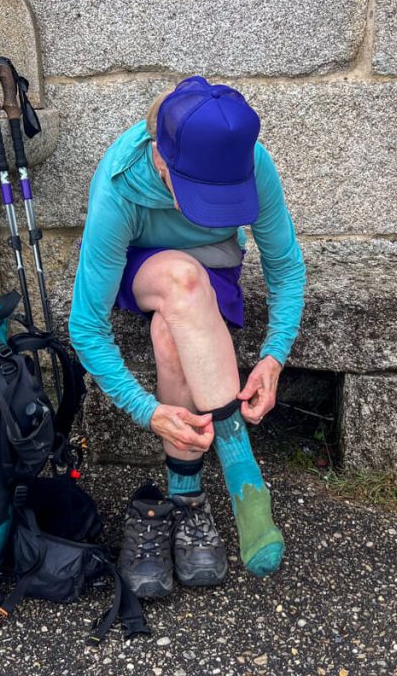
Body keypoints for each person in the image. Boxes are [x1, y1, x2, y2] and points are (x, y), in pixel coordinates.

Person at [68, 76, 306, 598]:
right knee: (180, 278)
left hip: (213, 272)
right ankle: (239, 459)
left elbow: (286, 268)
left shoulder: (251, 161)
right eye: (204, 194)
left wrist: (273, 356)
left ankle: (186, 495)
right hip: (146, 270)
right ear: (160, 160)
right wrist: (144, 408)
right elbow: (85, 325)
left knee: (171, 330)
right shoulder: (121, 182)